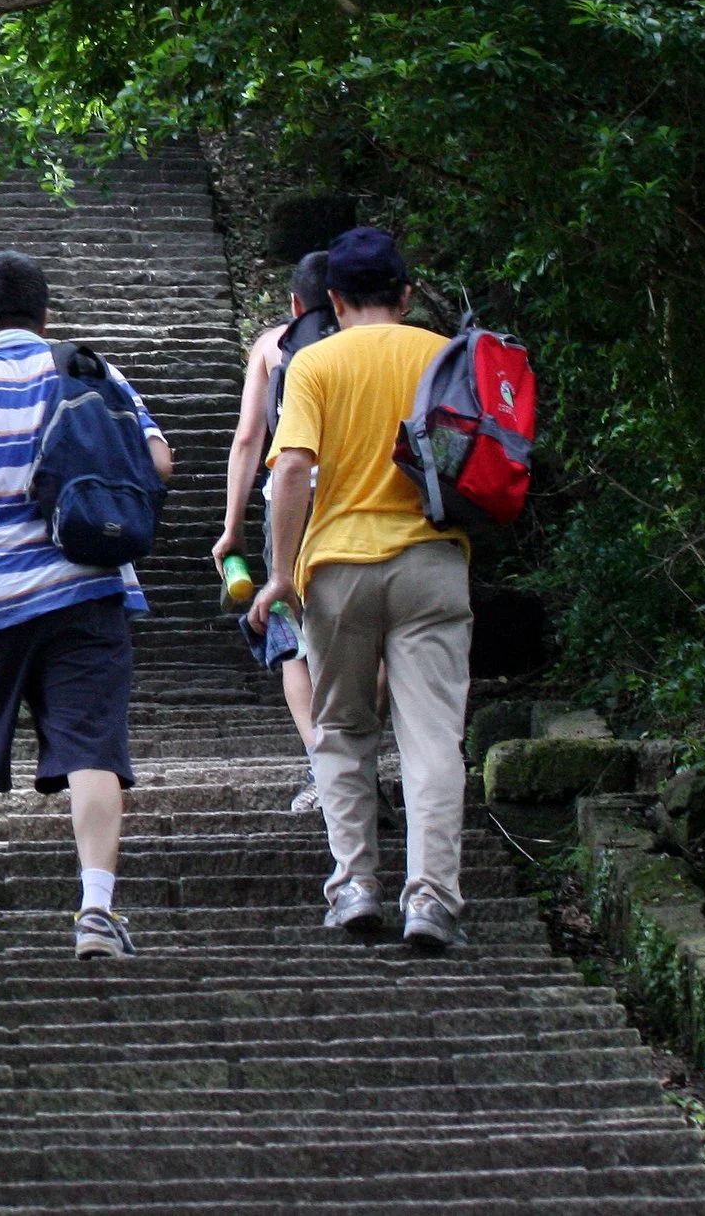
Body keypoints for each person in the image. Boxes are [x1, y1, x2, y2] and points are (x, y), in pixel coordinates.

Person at [0, 250, 175, 963]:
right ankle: (96, 912)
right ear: (46, 316)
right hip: (85, 587)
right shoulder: (90, 369)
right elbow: (159, 461)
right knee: (94, 752)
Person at [249, 227, 472, 951]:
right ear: (405, 294)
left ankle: (354, 888)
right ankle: (431, 899)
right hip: (431, 561)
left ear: (335, 300)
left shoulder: (314, 362)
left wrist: (281, 574)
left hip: (338, 568)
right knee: (431, 738)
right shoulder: (442, 356)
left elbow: (290, 468)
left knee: (343, 730)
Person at [214, 251, 334, 813]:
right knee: (370, 639)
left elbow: (248, 441)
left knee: (294, 645)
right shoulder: (369, 345)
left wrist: (232, 528)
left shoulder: (272, 346)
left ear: (294, 302)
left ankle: (323, 763)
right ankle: (352, 756)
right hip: (358, 503)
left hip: (289, 510)